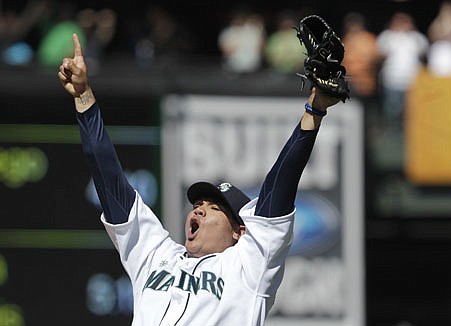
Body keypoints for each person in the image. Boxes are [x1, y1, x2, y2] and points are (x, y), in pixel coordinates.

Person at [58, 33, 341, 325]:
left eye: (215, 208)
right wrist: (84, 97)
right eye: (199, 204)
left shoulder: (248, 265)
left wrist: (314, 111)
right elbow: (110, 182)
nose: (199, 209)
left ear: (239, 232)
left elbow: (279, 188)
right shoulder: (155, 254)